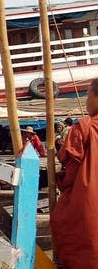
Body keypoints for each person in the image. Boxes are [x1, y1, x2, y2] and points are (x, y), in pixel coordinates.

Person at [50, 78, 98, 268]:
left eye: (88, 95)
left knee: (70, 229)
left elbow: (71, 171)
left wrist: (60, 180)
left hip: (88, 199)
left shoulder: (84, 128)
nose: (86, 100)